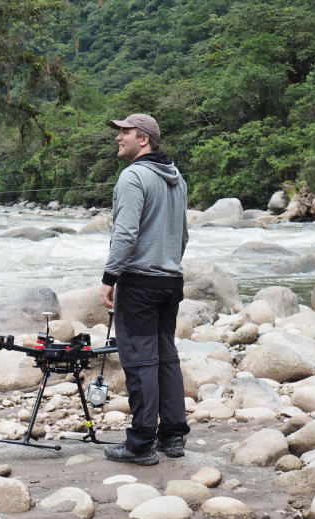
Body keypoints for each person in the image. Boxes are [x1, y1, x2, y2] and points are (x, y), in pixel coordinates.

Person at [100, 113, 190, 466]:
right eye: (119, 132)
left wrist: (110, 276)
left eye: (125, 132)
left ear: (144, 139)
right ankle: (173, 436)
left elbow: (125, 233)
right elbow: (183, 234)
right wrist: (168, 264)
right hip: (171, 281)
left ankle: (140, 444)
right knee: (166, 355)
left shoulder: (133, 176)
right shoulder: (176, 176)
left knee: (140, 360)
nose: (118, 138)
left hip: (139, 282)